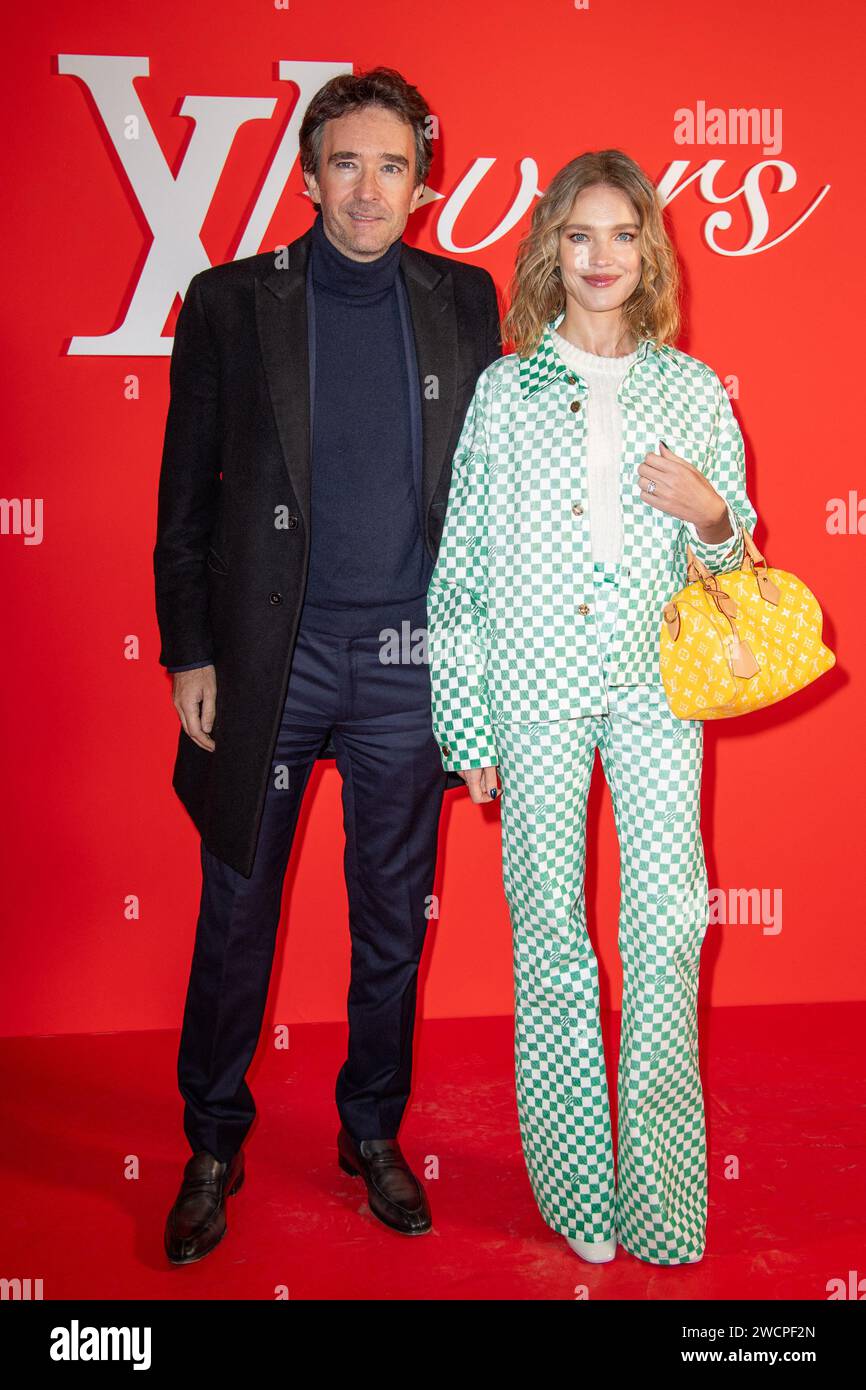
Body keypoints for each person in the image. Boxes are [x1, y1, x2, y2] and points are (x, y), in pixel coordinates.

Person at [154, 66, 501, 1263]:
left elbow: (490, 494)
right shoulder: (229, 301)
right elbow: (183, 495)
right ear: (307, 178)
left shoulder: (464, 300)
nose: (366, 188)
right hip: (272, 661)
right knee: (235, 913)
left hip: (410, 661)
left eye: (390, 166)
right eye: (344, 164)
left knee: (392, 921)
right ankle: (212, 1140)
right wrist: (189, 650)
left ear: (420, 182)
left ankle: (371, 1129)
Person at [427, 149, 757, 1266]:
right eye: (579, 235)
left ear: (648, 251)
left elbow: (737, 566)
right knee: (549, 934)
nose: (601, 256)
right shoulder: (503, 391)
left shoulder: (692, 388)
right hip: (533, 686)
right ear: (550, 252)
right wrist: (466, 721)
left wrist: (711, 514)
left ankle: (662, 1199)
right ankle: (577, 1188)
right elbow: (462, 570)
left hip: (658, 686)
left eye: (621, 234)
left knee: (665, 928)